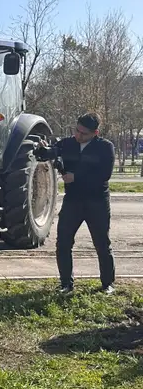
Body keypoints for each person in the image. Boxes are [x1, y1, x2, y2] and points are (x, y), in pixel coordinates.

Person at [34, 113, 116, 294]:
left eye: (83, 133)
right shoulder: (68, 143)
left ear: (95, 133)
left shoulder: (105, 147)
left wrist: (76, 177)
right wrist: (42, 150)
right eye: (76, 130)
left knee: (102, 243)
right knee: (63, 243)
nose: (78, 136)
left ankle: (108, 283)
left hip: (97, 202)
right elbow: (50, 152)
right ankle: (66, 284)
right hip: (73, 201)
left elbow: (104, 175)